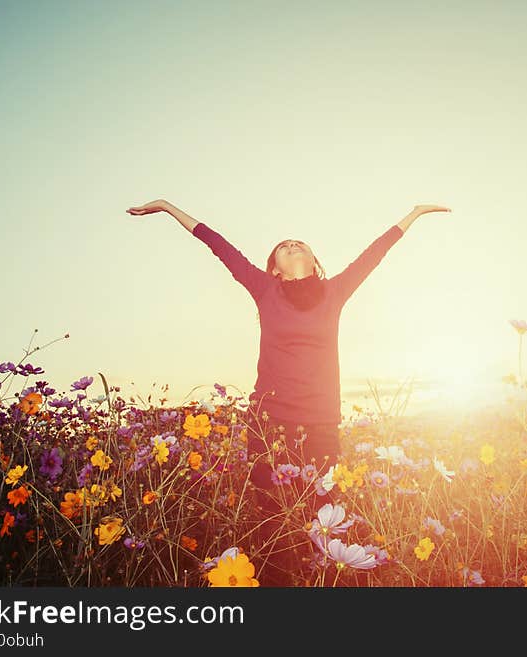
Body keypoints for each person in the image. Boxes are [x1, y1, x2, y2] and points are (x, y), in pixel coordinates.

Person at [126, 199, 452, 583]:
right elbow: (218, 245)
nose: (293, 245)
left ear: (315, 261)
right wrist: (167, 207)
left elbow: (375, 252)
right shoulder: (264, 289)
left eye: (300, 243)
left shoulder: (336, 291)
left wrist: (413, 214)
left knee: (326, 526)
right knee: (273, 524)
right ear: (274, 269)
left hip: (321, 427)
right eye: (284, 246)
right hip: (269, 425)